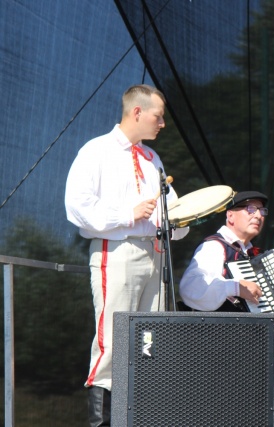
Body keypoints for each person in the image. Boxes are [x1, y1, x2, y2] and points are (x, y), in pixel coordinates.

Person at [65, 84, 189, 427]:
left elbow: (172, 210)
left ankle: (142, 418)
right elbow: (77, 207)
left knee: (151, 340)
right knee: (113, 340)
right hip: (117, 251)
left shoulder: (153, 159)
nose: (162, 123)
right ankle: (102, 423)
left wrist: (182, 220)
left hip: (155, 254)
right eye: (158, 116)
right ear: (137, 112)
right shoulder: (97, 150)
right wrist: (128, 214)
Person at [179, 191, 274, 421]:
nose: (258, 215)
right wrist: (234, 287)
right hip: (224, 339)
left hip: (260, 341)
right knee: (271, 346)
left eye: (262, 211)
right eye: (250, 209)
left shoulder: (256, 256)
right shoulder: (215, 247)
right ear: (230, 216)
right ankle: (255, 419)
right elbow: (190, 288)